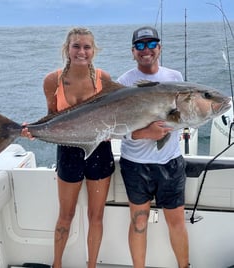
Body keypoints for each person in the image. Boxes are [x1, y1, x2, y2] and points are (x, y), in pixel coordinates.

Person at [22, 27, 115, 268]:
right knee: (66, 216)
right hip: (68, 150)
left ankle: (92, 265)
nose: (81, 51)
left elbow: (116, 113)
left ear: (94, 51)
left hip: (99, 150)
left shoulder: (103, 79)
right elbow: (52, 119)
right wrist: (33, 129)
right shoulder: (52, 80)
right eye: (76, 46)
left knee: (96, 217)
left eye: (87, 47)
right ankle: (57, 264)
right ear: (67, 49)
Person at [117, 26, 190, 268]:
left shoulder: (175, 78)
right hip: (136, 165)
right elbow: (115, 126)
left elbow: (182, 117)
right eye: (139, 46)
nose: (145, 50)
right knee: (138, 222)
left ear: (159, 48)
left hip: (170, 162)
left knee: (177, 221)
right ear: (132, 52)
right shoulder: (124, 82)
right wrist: (146, 133)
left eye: (151, 44)